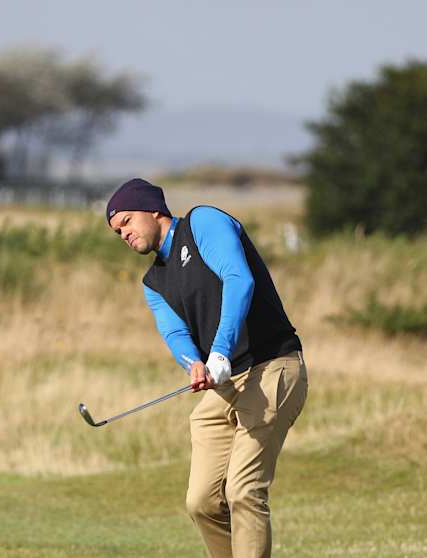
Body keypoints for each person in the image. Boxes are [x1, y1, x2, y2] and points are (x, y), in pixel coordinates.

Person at [105, 178, 308, 558]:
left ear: (153, 209)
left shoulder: (204, 223)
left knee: (244, 491)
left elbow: (238, 279)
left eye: (128, 222)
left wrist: (219, 351)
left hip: (273, 367)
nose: (125, 234)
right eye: (118, 232)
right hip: (225, 384)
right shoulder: (154, 281)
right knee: (202, 501)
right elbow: (175, 332)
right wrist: (194, 364)